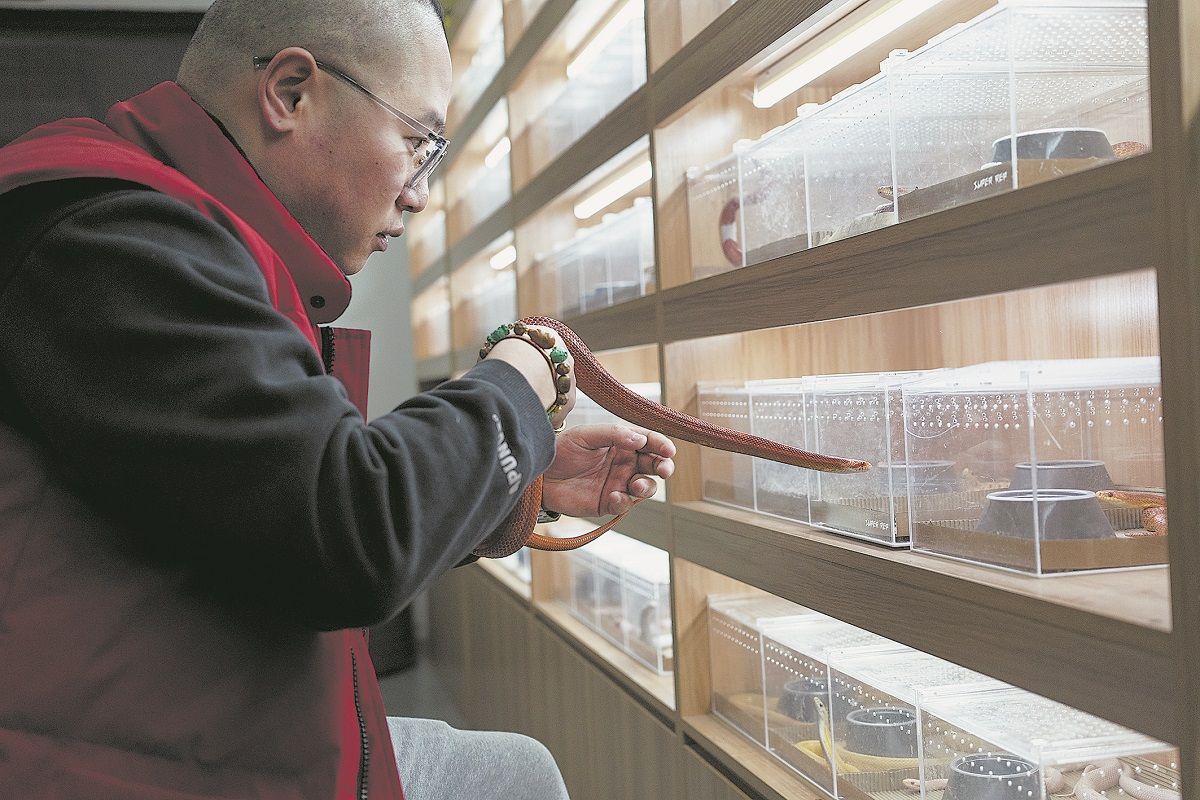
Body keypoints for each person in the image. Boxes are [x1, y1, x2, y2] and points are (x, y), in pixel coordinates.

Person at [0, 0, 676, 797]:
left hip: (201, 725)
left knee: (513, 774)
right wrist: (528, 376)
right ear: (290, 92)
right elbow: (345, 532)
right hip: (132, 762)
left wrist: (505, 490)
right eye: (417, 143)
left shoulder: (173, 236)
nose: (420, 194)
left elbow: (258, 506)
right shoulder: (109, 235)